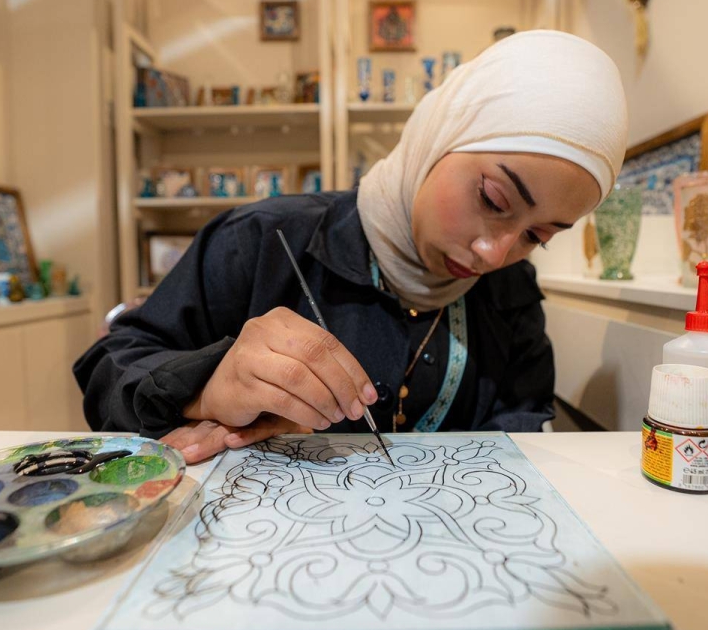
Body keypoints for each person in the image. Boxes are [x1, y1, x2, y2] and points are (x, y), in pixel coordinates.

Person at [73, 30, 628, 463]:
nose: (493, 253)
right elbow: (109, 369)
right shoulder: (265, 241)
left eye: (536, 236)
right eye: (493, 198)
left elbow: (523, 419)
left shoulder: (510, 288)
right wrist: (206, 387)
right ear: (440, 136)